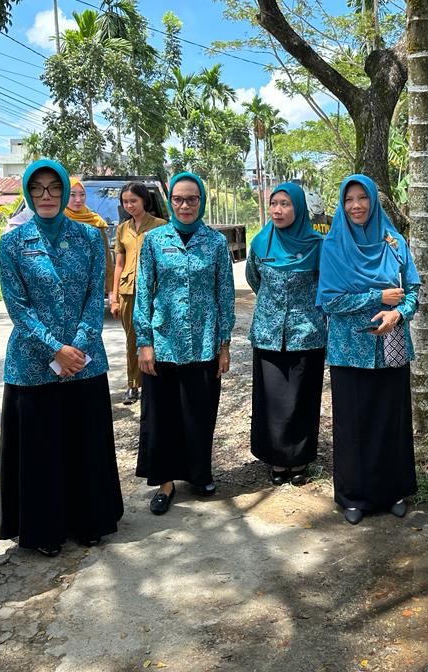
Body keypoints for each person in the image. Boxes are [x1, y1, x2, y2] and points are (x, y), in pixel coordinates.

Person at [0, 159, 123, 557]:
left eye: (55, 188)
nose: (47, 195)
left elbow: (95, 295)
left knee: (84, 444)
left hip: (85, 362)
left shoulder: (89, 237)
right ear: (28, 194)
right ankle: (43, 529)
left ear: (66, 193)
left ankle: (91, 520)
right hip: (33, 365)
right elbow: (18, 307)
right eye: (38, 189)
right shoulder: (13, 242)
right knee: (41, 450)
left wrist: (79, 345)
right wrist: (54, 347)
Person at [316, 174, 420, 525]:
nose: (356, 205)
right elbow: (329, 301)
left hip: (390, 346)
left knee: (391, 421)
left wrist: (398, 312)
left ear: (374, 201)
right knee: (353, 425)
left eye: (363, 198)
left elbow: (415, 293)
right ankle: (353, 497)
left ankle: (393, 491)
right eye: (349, 199)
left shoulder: (395, 243)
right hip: (349, 350)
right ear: (342, 205)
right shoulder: (332, 246)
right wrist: (377, 296)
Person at [134, 172, 235, 514]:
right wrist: (144, 342)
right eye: (178, 199)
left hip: (204, 343)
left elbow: (225, 295)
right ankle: (165, 482)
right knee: (162, 416)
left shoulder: (215, 242)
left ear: (201, 201)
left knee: (199, 412)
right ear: (170, 201)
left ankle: (198, 473)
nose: (185, 205)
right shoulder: (154, 240)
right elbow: (144, 293)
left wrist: (224, 344)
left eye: (192, 199)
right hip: (163, 343)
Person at [247, 183, 326, 486]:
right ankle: (276, 459)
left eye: (285, 204)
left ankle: (300, 459)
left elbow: (325, 284)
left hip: (307, 334)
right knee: (271, 400)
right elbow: (256, 279)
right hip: (268, 334)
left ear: (299, 208)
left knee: (302, 399)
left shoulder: (317, 246)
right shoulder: (260, 244)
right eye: (273, 204)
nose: (278, 210)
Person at [110, 182, 165, 405]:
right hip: (128, 291)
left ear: (144, 200)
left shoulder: (160, 226)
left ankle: (156, 381)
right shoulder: (122, 229)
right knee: (132, 339)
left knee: (156, 337)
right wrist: (113, 296)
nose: (130, 205)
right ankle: (133, 384)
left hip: (153, 291)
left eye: (134, 200)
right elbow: (119, 265)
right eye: (125, 202)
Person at [64, 175, 114, 297]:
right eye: (72, 194)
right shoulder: (57, 221)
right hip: (63, 288)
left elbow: (106, 258)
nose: (78, 199)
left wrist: (111, 291)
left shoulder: (96, 222)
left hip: (92, 288)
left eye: (82, 194)